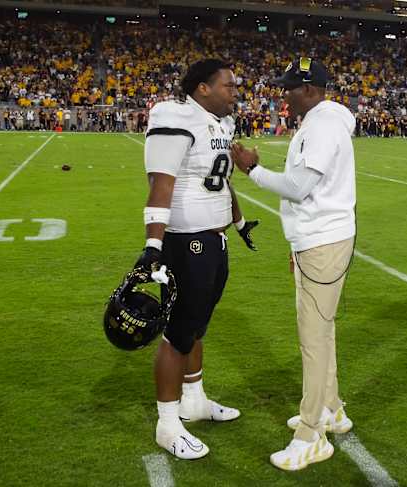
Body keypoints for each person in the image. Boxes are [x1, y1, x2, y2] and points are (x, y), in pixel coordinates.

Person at [232, 57, 356, 471]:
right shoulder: (321, 121)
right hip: (317, 238)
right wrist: (297, 240)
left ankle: (311, 434)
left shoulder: (320, 126)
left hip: (324, 241)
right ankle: (332, 410)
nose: (283, 95)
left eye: (289, 88)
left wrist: (251, 169)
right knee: (324, 329)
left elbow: (300, 188)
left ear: (309, 90)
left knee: (313, 337)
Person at [134, 59, 259, 460]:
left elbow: (221, 183)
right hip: (186, 240)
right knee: (177, 334)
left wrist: (238, 223)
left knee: (196, 325)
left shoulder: (222, 125)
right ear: (202, 88)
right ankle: (167, 425)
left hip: (214, 238)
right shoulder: (176, 116)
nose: (235, 91)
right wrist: (154, 246)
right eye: (228, 85)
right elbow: (161, 185)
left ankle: (195, 400)